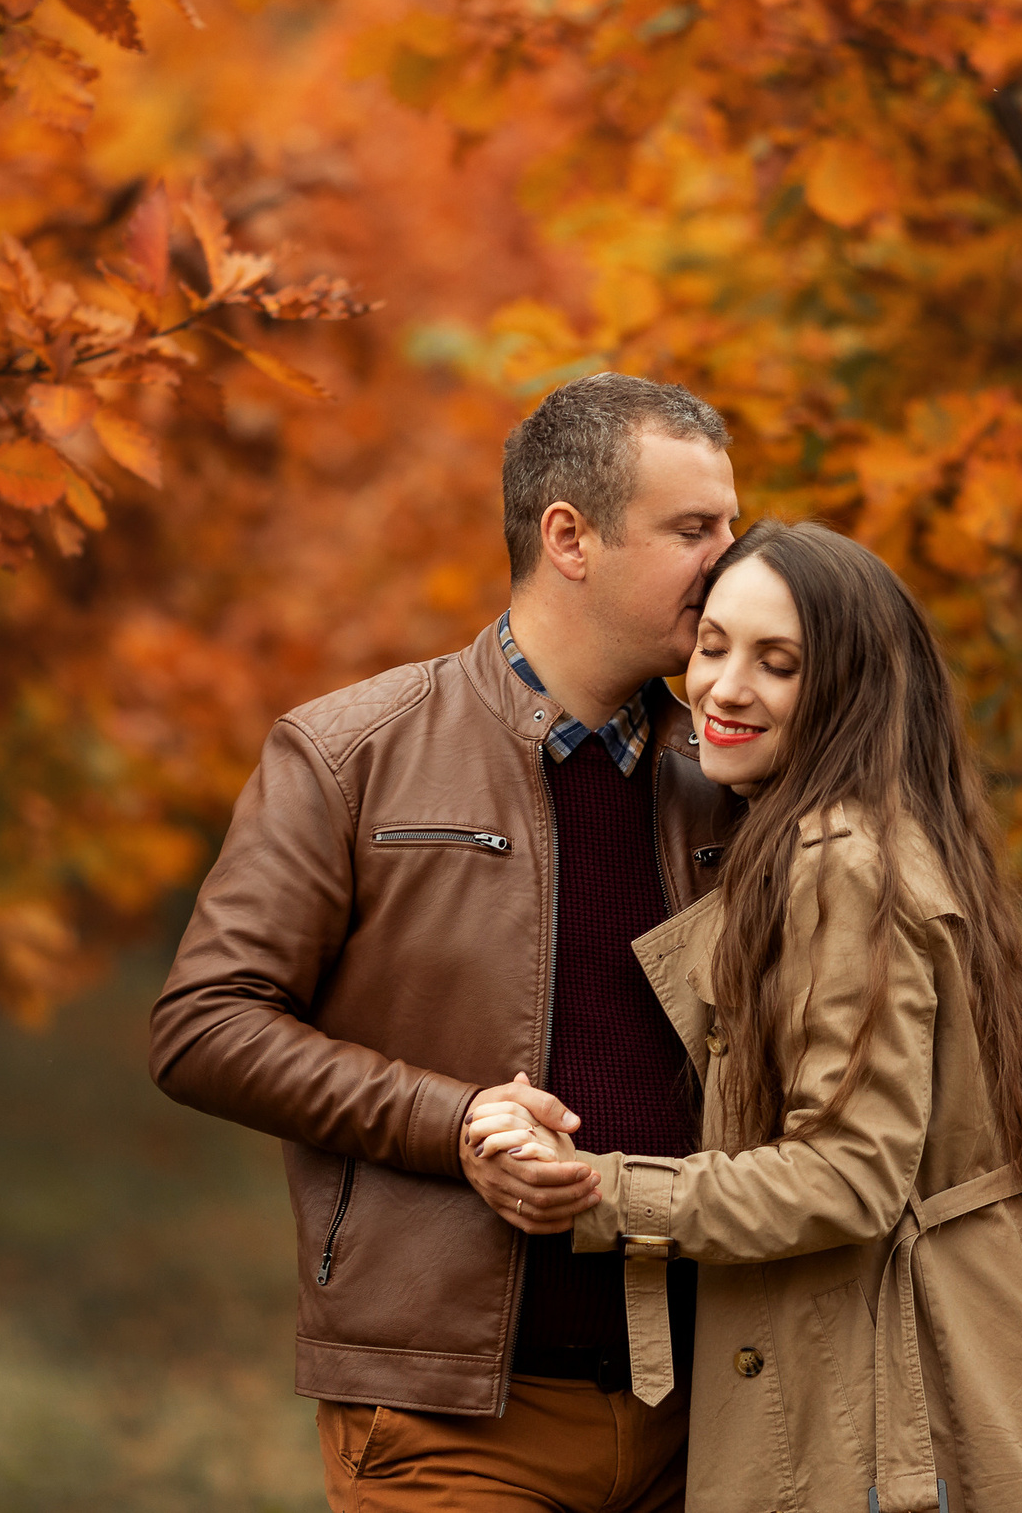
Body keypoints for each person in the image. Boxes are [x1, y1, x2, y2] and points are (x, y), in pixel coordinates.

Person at [150, 373, 745, 1512]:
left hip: (710, 1418)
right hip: (450, 1425)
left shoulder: (734, 776)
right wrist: (454, 1118)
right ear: (568, 538)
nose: (731, 560)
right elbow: (203, 1026)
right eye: (692, 529)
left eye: (731, 524)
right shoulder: (349, 753)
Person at [468, 520, 1022, 1513]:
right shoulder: (878, 831)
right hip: (950, 1374)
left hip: (900, 1406)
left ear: (849, 693)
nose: (725, 687)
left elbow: (850, 1174)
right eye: (712, 646)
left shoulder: (840, 862)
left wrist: (596, 1192)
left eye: (778, 664)